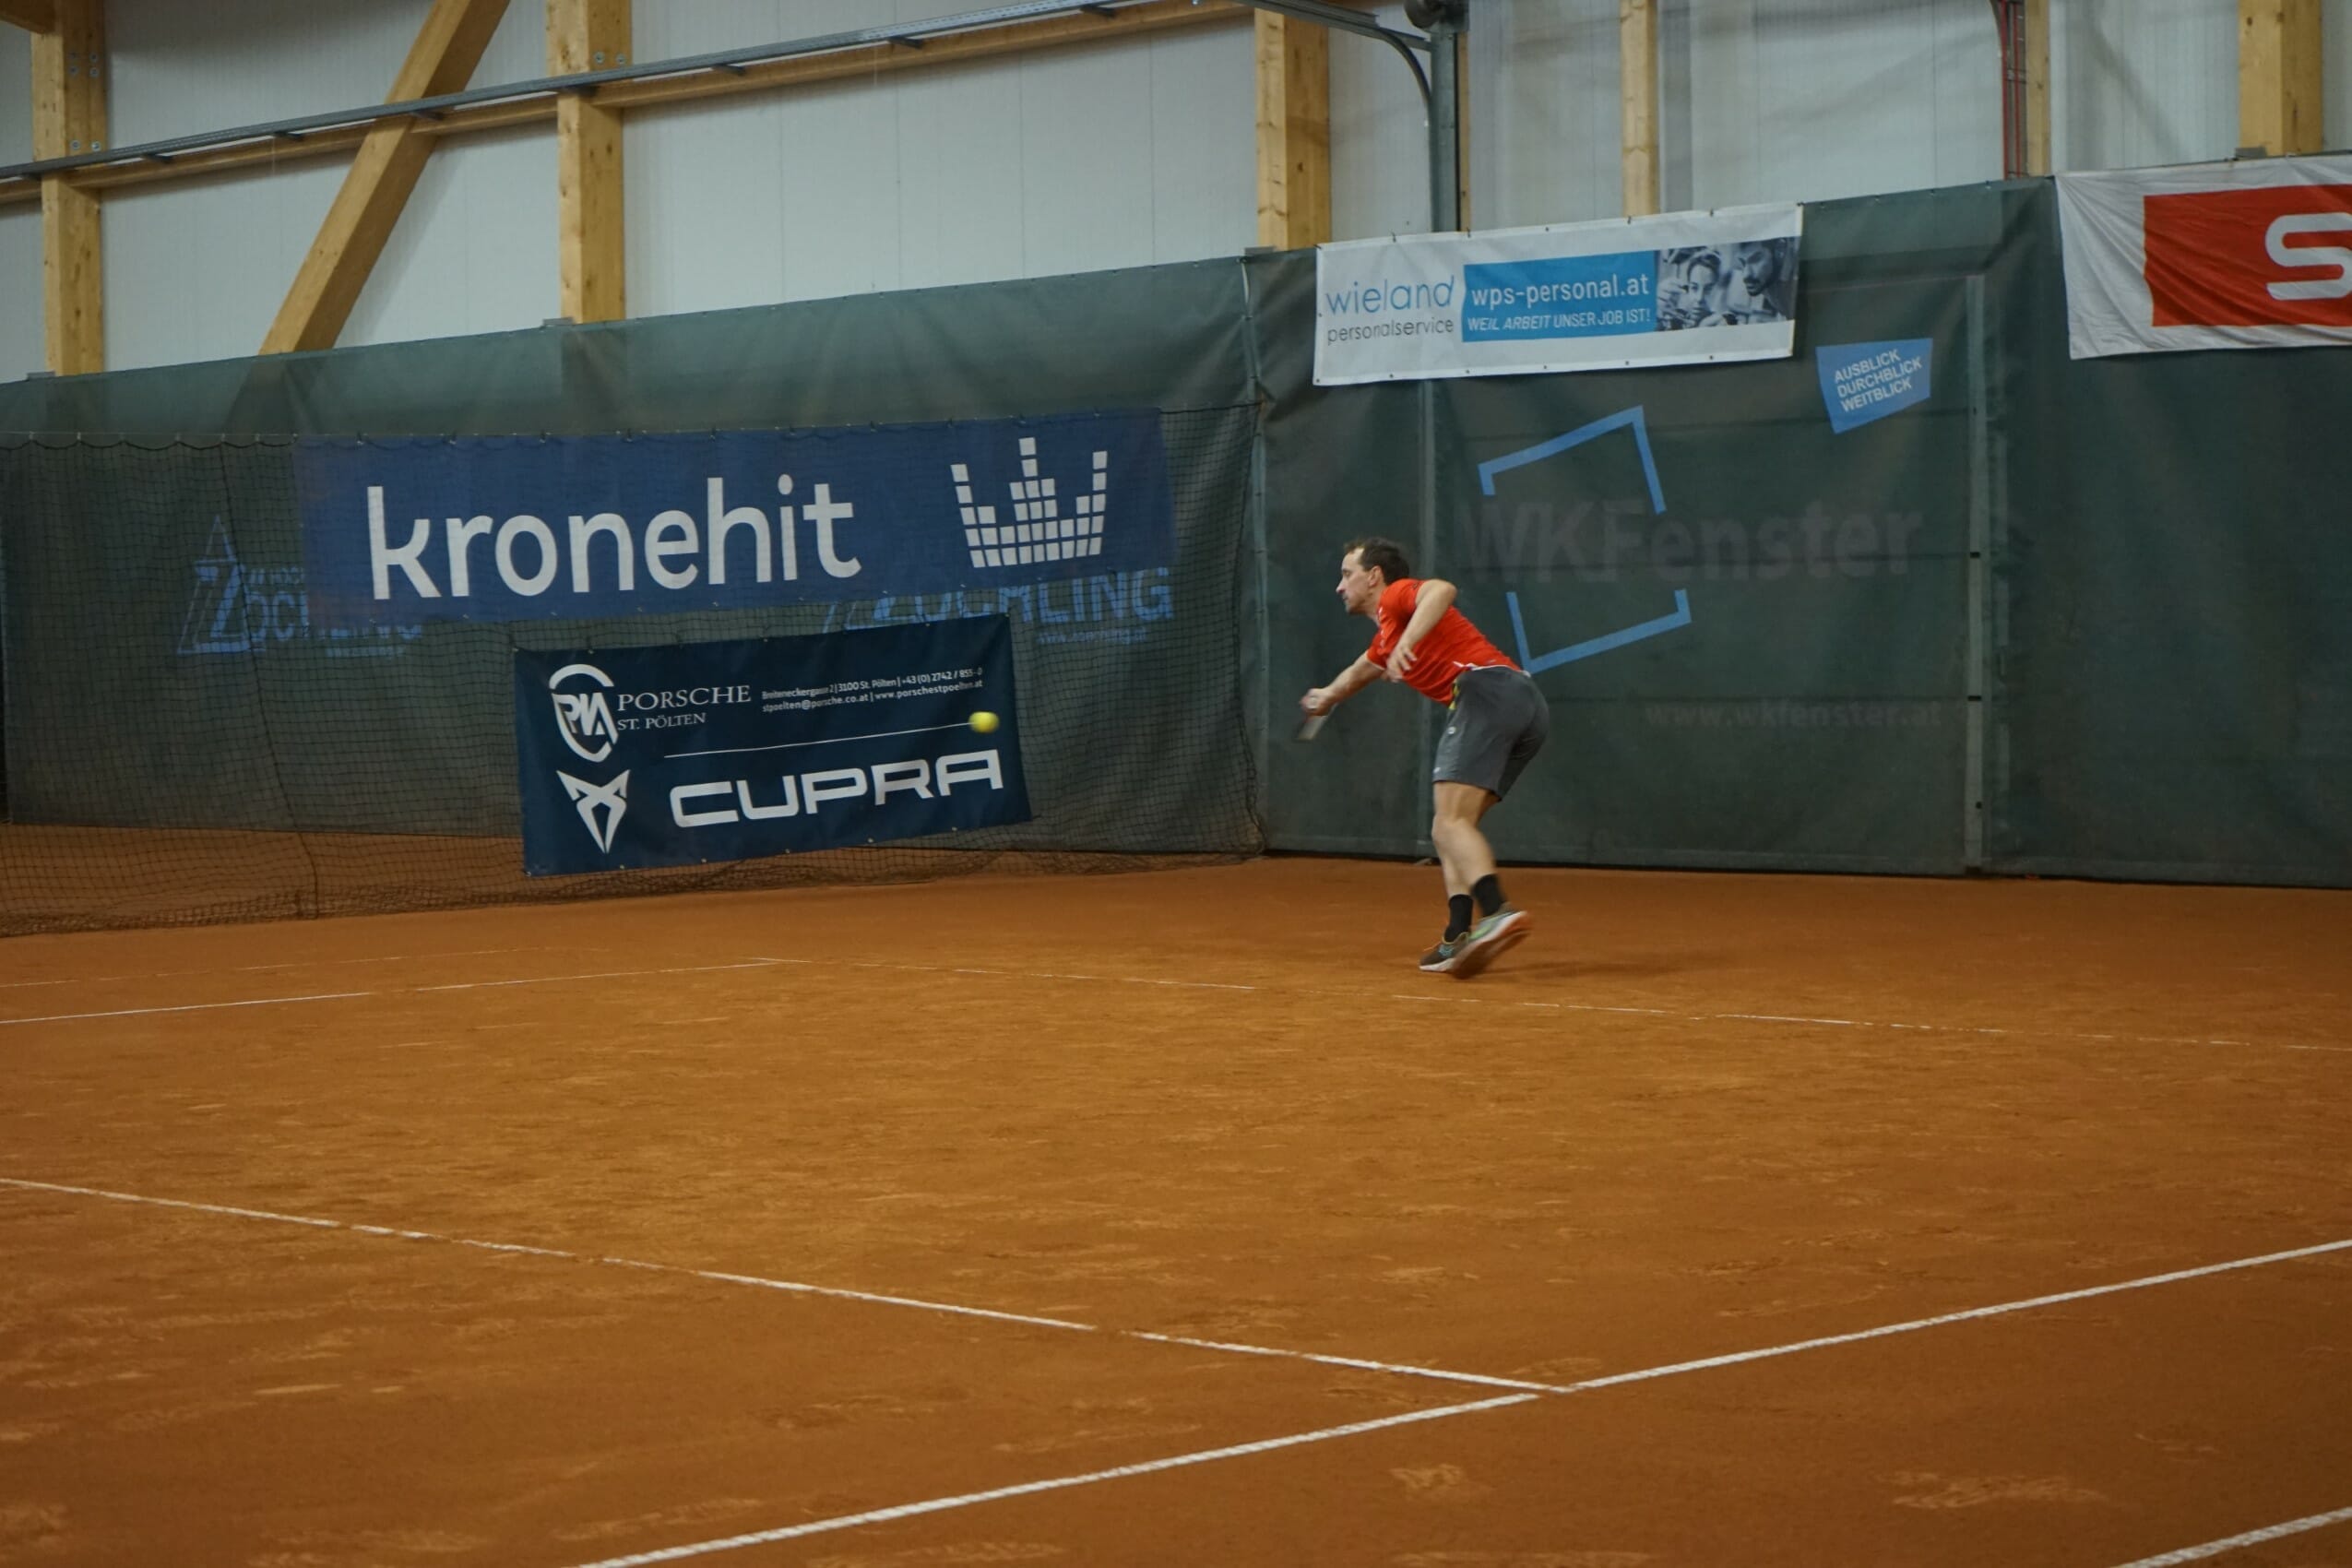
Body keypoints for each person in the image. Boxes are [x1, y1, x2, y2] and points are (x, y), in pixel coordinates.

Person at [1301, 538, 1550, 978]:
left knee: (1450, 823)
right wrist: (1327, 696)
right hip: (1526, 707)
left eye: (1346, 574)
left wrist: (1409, 641)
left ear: (1374, 576)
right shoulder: (1386, 637)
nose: (1340, 587)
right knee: (1449, 828)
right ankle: (1457, 935)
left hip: (1486, 693)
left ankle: (1497, 911)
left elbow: (1442, 590)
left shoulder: (1396, 597)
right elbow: (1359, 672)